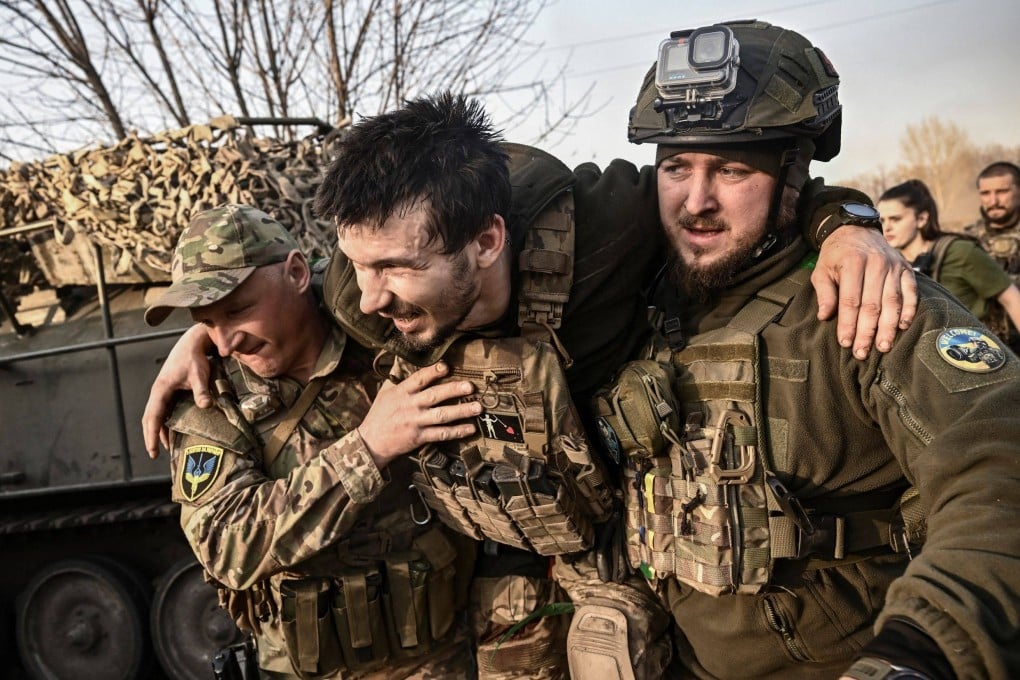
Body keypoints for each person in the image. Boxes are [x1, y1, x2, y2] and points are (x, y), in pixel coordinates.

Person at [143, 98, 917, 679]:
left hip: (647, 573)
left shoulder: (606, 223)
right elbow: (295, 327)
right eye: (362, 271)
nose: (373, 299)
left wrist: (847, 224)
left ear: (486, 241)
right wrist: (210, 333)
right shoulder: (354, 297)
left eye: (396, 272)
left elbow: (733, 201)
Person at [598, 18, 1020, 679]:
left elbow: (998, 468)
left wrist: (924, 648)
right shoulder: (639, 291)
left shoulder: (866, 301)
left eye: (733, 168)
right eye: (676, 165)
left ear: (792, 176)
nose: (696, 201)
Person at [143, 204, 482, 679]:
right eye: (206, 321)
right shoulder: (210, 395)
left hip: (441, 650)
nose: (224, 344)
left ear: (298, 273)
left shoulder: (378, 322)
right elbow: (226, 544)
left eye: (238, 310)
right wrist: (368, 449)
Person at [878, 178, 1020, 339]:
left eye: (895, 219)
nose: (887, 227)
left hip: (977, 348)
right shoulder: (892, 263)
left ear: (922, 219)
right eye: (882, 220)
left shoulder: (959, 252)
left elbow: (1011, 298)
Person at [962, 161, 1020, 351]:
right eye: (985, 193)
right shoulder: (967, 240)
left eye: (1002, 192)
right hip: (984, 347)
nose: (993, 201)